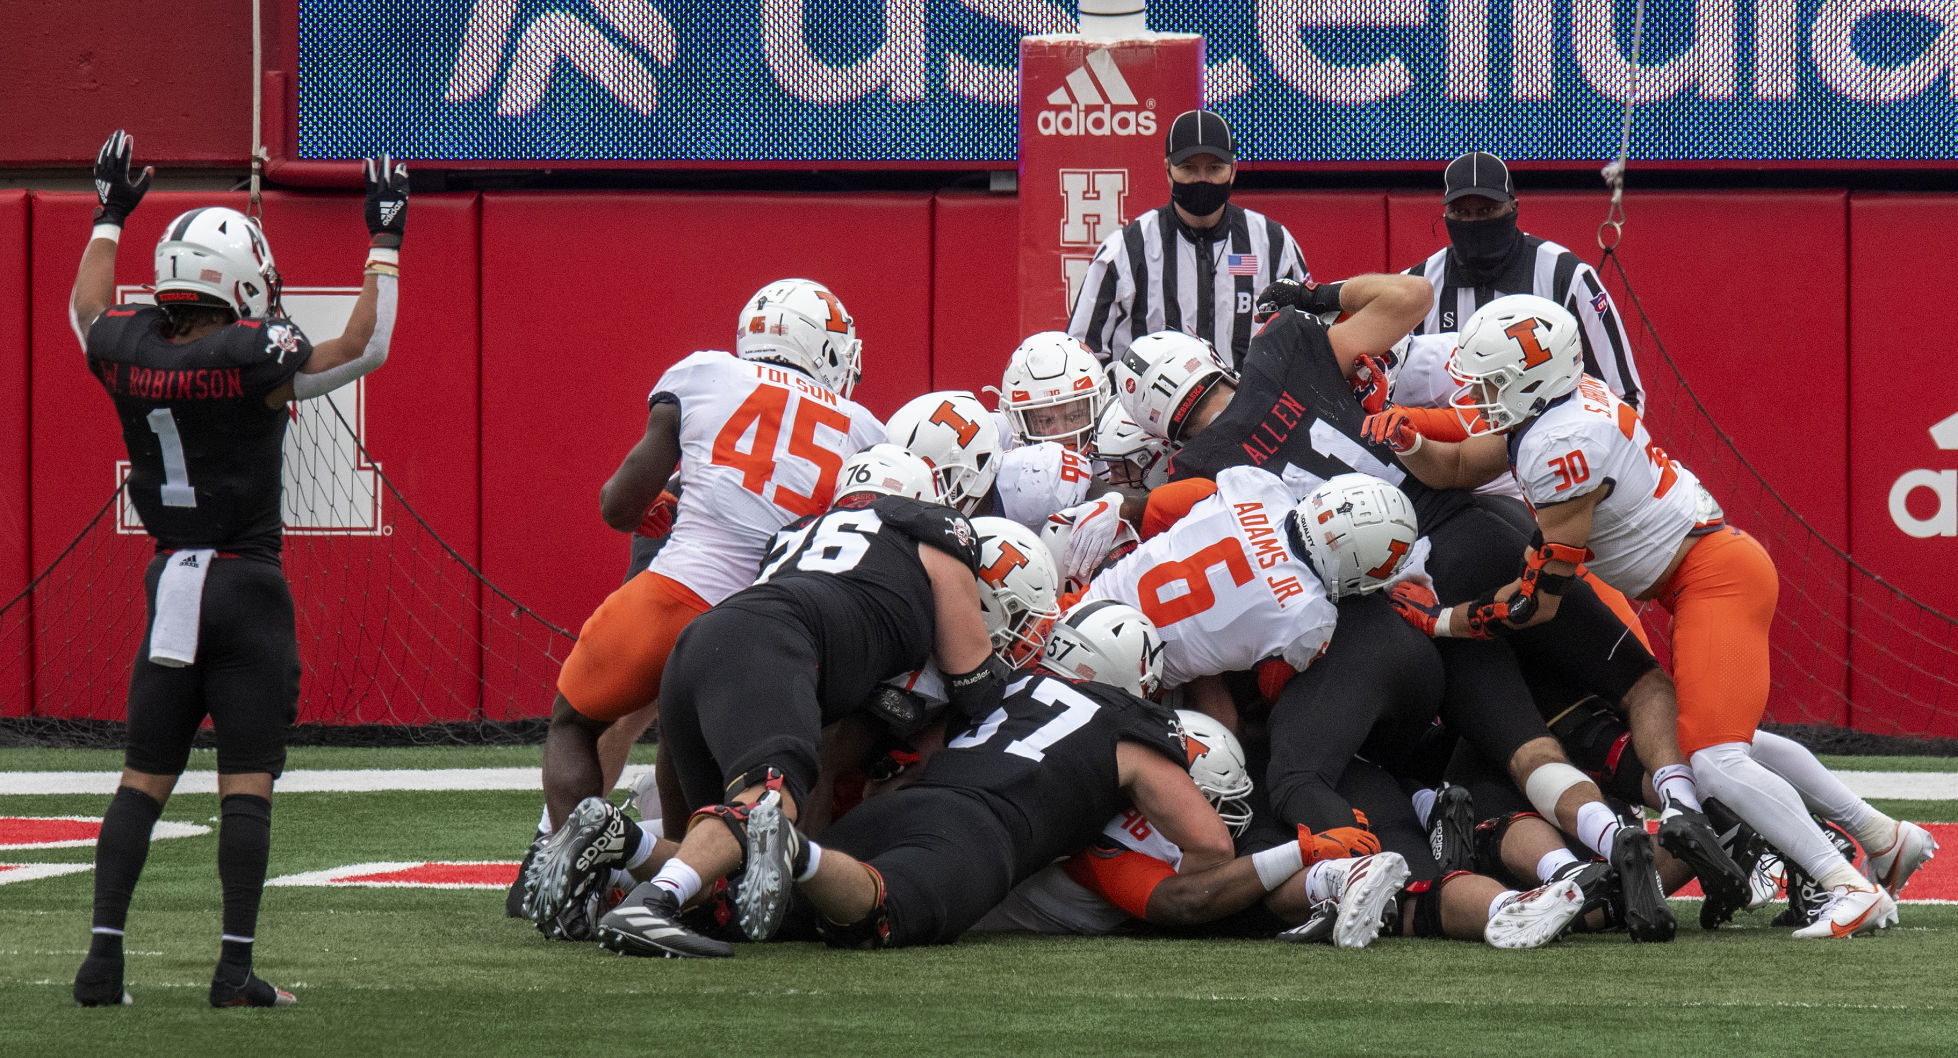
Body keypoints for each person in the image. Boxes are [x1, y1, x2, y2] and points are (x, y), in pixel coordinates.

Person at [1115, 291, 1748, 934]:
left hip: (1410, 598)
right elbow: (1412, 297)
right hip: (1484, 527)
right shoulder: (1288, 349)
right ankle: (1686, 805)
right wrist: (1318, 297)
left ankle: (1596, 852)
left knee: (1517, 745)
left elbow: (1287, 623)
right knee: (1631, 684)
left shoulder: (1197, 481)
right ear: (1217, 363)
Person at [1384, 294, 1935, 938]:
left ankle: (1844, 882)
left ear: (1532, 379)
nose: (1479, 395)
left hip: (1712, 579)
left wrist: (1440, 620)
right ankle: (1880, 835)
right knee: (1725, 743)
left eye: (1493, 382)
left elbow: (1537, 604)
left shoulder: (1562, 444)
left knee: (1716, 760)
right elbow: (1456, 461)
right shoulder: (1555, 408)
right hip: (1704, 573)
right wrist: (1405, 430)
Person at [68, 131, 407, 1007]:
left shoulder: (125, 346)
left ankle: (102, 963)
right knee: (245, 783)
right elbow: (364, 346)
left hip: (169, 581)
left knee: (143, 778)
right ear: (239, 280)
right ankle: (231, 970)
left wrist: (107, 214)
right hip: (246, 585)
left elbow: (85, 309)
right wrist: (386, 240)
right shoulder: (253, 357)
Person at [516, 278, 884, 930]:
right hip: (771, 626)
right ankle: (703, 896)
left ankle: (562, 876)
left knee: (576, 721)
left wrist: (663, 506)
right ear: (823, 349)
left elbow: (617, 505)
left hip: (678, 589)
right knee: (730, 763)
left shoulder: (704, 374)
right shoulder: (866, 431)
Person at [530, 487, 1022, 956]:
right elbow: (972, 679)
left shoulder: (803, 532)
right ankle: (651, 903)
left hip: (702, 643)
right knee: (767, 803)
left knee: (713, 873)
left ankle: (621, 840)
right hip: (770, 647)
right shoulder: (935, 536)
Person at [730, 604, 1239, 952]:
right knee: (874, 919)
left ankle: (652, 853)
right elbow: (1212, 846)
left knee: (744, 917)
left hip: (902, 807)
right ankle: (799, 852)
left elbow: (905, 769)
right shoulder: (1130, 726)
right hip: (978, 835)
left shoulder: (1008, 686)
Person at [1067, 109, 1308, 371]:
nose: (1201, 179)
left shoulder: (1274, 245)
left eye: (1214, 168)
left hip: (1252, 409)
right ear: (1168, 170)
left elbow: (1308, 344)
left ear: (1233, 170)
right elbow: (1081, 358)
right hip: (1147, 411)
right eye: (1188, 168)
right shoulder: (1125, 250)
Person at [1400, 151, 1643, 409]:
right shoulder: (1416, 287)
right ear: (1446, 214)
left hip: (1547, 442)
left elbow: (1624, 398)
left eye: (1487, 210)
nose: (1474, 222)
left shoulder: (1565, 276)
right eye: (1461, 213)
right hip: (1444, 441)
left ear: (1513, 207)